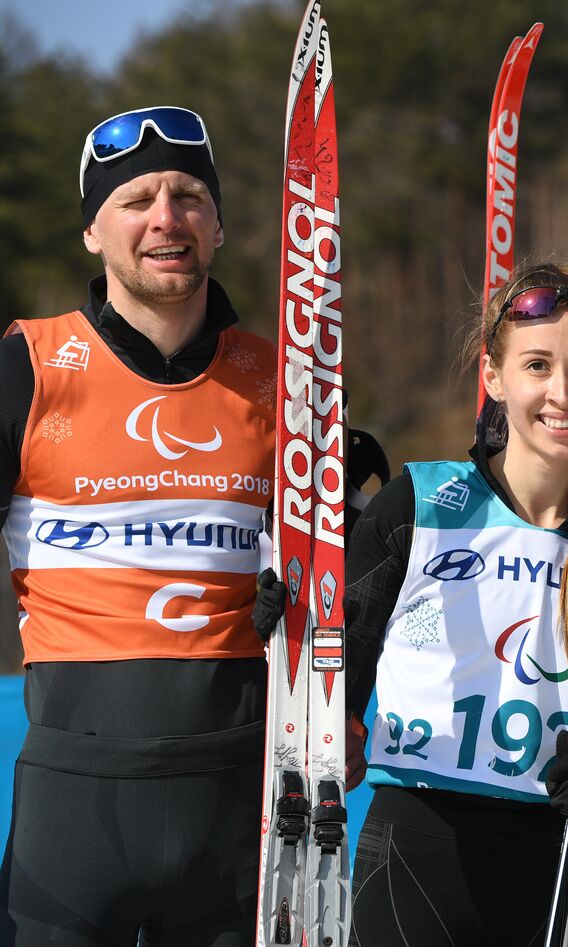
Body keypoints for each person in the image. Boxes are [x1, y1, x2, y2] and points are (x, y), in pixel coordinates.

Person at [0, 106, 273, 943]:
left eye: (190, 194)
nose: (167, 217)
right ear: (92, 229)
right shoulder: (28, 363)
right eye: (136, 198)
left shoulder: (284, 380)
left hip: (234, 815)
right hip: (74, 816)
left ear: (218, 224)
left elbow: (342, 578)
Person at [343, 263, 568, 946]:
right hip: (421, 851)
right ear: (494, 376)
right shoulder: (419, 503)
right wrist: (285, 628)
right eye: (538, 364)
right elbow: (330, 675)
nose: (562, 392)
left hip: (562, 861)